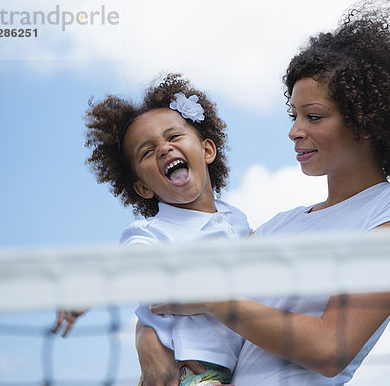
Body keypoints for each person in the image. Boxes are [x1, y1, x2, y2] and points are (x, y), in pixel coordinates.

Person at [141, 0, 390, 386]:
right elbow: (174, 294)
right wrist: (146, 337)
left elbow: (331, 348)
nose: (294, 130)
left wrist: (213, 300)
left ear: (367, 121)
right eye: (293, 115)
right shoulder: (275, 228)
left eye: (313, 116)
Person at [51, 73, 251, 386]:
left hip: (237, 368)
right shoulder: (151, 233)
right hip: (187, 372)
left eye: (174, 137)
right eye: (147, 151)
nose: (163, 149)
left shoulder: (236, 218)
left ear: (208, 150)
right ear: (143, 188)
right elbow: (123, 267)